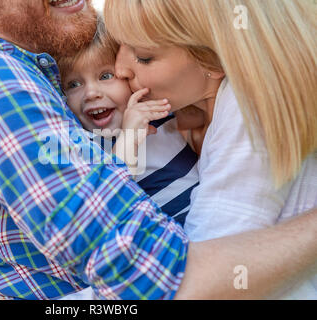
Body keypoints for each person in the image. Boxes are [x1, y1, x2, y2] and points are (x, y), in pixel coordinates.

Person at [0, 0, 317, 301]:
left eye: (136, 58)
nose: (125, 71)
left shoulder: (221, 113)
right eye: (74, 85)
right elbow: (161, 282)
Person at [104, 0, 317, 299]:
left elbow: (203, 273)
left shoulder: (247, 110)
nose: (119, 68)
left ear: (213, 62)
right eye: (119, 46)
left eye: (144, 57)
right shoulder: (202, 114)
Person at [57, 16, 199, 226]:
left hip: (212, 218)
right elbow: (110, 195)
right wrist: (129, 137)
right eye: (73, 84)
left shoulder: (161, 111)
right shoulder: (90, 146)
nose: (91, 93)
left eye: (105, 76)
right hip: (170, 242)